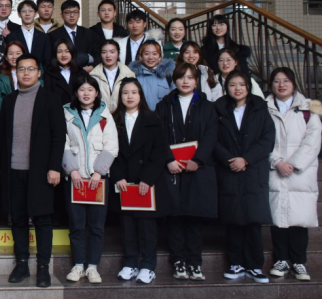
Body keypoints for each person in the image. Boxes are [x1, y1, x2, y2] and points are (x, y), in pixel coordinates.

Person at [0, 54, 66, 288]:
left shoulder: (51, 100)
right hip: (13, 170)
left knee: (42, 220)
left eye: (30, 69)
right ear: (15, 73)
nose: (25, 73)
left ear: (39, 73)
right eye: (21, 69)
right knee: (17, 219)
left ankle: (43, 267)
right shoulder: (9, 101)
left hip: (41, 171)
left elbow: (59, 137)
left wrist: (54, 167)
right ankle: (22, 264)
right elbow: (3, 136)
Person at [155, 63, 218, 282]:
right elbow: (158, 136)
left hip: (197, 169)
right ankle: (178, 261)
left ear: (196, 81)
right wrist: (168, 160)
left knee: (194, 217)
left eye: (190, 77)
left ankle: (195, 262)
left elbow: (211, 135)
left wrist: (198, 160)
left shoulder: (207, 106)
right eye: (181, 77)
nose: (185, 81)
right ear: (174, 80)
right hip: (172, 169)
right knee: (175, 217)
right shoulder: (164, 105)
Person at [214, 71, 275, 283]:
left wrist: (246, 159)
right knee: (233, 219)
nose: (237, 88)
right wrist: (229, 160)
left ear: (248, 87)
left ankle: (255, 265)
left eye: (241, 84)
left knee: (253, 220)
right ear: (226, 87)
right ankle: (235, 263)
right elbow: (212, 139)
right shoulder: (219, 109)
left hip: (253, 170)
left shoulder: (260, 108)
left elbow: (268, 139)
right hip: (229, 169)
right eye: (232, 84)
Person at [111, 79, 171, 284]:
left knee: (147, 227)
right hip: (124, 182)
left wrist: (147, 178)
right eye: (125, 92)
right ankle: (129, 263)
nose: (129, 96)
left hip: (146, 182)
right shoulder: (113, 120)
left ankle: (147, 266)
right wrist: (118, 175)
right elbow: (110, 150)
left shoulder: (152, 119)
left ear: (140, 95)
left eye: (134, 92)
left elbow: (160, 151)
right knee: (127, 225)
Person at [61, 72, 118, 284]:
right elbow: (63, 143)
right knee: (76, 225)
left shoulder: (104, 115)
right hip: (75, 179)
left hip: (98, 180)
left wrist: (98, 172)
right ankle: (78, 265)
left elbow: (111, 146)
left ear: (96, 93)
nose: (86, 93)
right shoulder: (66, 113)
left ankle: (92, 266)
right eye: (82, 89)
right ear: (76, 92)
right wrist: (72, 170)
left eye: (90, 90)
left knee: (96, 226)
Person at [266, 67, 322, 282]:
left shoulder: (308, 108)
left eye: (286, 81)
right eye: (277, 81)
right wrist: (277, 161)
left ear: (294, 83)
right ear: (271, 84)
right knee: (278, 217)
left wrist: (293, 164)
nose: (281, 85)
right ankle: (281, 260)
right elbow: (261, 138)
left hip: (301, 171)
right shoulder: (263, 107)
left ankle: (299, 261)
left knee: (299, 218)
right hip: (275, 168)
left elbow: (313, 140)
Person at [49, 0, 99, 70]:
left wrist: (92, 67)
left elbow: (98, 54)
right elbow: (52, 58)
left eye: (75, 12)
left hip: (88, 72)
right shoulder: (53, 35)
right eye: (68, 12)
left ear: (79, 14)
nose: (72, 15)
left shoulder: (90, 34)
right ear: (62, 15)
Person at [90, 40, 136, 113]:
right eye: (104, 52)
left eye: (112, 52)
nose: (108, 55)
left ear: (118, 54)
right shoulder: (93, 76)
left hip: (123, 115)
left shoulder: (129, 75)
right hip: (100, 116)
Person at [0, 41, 32, 122]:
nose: (14, 57)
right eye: (10, 54)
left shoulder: (32, 75)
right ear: (6, 57)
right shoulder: (0, 78)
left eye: (18, 53)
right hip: (8, 119)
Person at [130, 41, 175, 110]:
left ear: (160, 55)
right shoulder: (133, 75)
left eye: (155, 54)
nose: (150, 57)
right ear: (141, 55)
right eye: (146, 54)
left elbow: (175, 98)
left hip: (163, 115)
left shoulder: (168, 75)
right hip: (140, 115)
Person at [5, 0, 51, 68]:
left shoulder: (44, 37)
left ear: (36, 13)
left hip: (39, 73)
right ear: (19, 14)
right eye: (24, 11)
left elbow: (48, 60)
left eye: (30, 11)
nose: (27, 14)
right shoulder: (11, 36)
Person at [43, 39, 82, 105]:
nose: (63, 55)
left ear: (72, 53)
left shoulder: (81, 72)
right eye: (59, 51)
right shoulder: (48, 74)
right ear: (55, 54)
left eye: (67, 51)